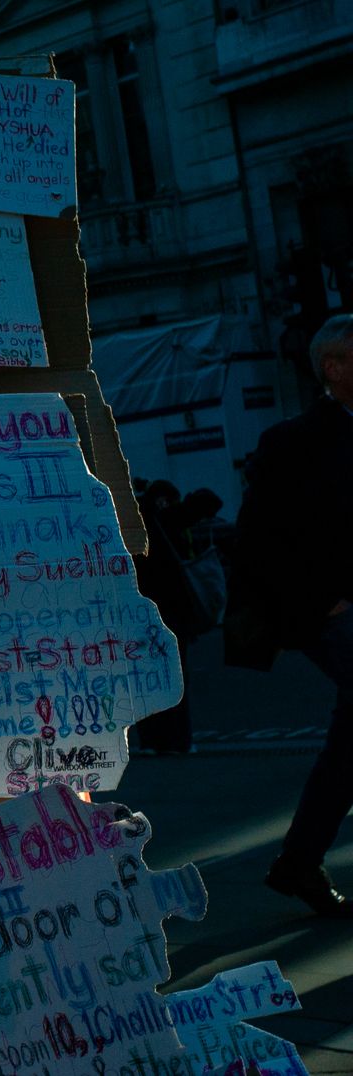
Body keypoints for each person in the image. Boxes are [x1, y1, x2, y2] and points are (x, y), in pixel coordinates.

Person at [230, 314, 353, 917]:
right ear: (333, 368)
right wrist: (320, 601)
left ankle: (298, 863)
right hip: (335, 616)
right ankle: (298, 862)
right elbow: (258, 539)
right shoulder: (294, 442)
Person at [131, 479, 202, 754]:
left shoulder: (132, 529)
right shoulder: (167, 523)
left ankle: (153, 740)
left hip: (141, 614)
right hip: (171, 614)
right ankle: (179, 739)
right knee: (176, 678)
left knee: (146, 680)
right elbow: (208, 502)